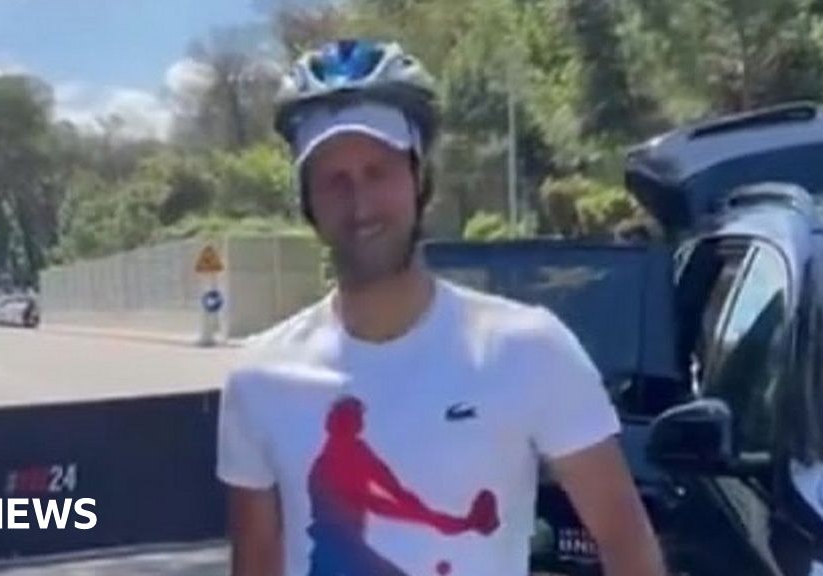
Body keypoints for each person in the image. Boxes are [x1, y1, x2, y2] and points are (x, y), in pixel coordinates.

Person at [216, 39, 667, 576]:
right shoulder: (258, 380)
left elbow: (626, 541)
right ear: (306, 201)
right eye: (334, 180)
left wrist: (454, 526)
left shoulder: (528, 348)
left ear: (419, 179)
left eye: (378, 171)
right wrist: (456, 525)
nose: (360, 205)